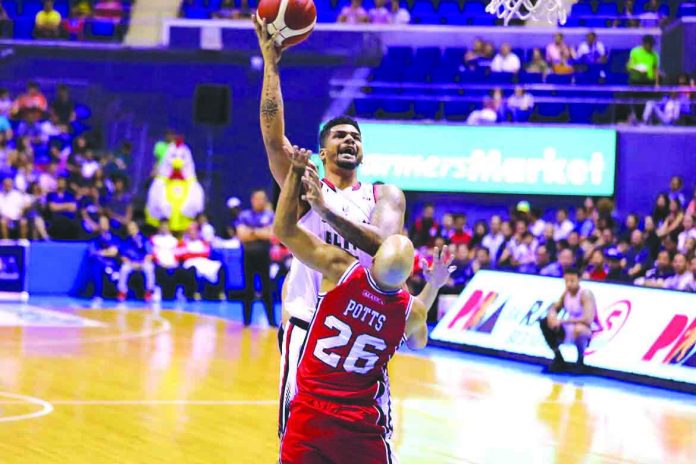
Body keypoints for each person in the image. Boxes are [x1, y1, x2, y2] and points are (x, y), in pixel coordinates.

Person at [254, 14, 407, 440]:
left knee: (368, 436)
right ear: (322, 151)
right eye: (339, 135)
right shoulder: (306, 185)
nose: (349, 141)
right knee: (302, 437)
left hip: (364, 333)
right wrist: (272, 64)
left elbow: (385, 247)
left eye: (355, 137)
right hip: (308, 325)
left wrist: (326, 211)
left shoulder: (384, 196)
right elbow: (271, 136)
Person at [275, 145, 453, 463]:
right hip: (360, 423)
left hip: (310, 413)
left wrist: (296, 177)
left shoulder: (344, 273)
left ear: (373, 257)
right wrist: (434, 285)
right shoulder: (408, 310)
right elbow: (419, 340)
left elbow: (285, 231)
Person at [539, 267, 597, 373]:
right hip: (569, 326)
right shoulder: (566, 293)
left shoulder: (585, 294)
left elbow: (588, 319)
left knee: (579, 329)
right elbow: (554, 307)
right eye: (566, 281)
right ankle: (558, 358)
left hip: (586, 328)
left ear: (579, 280)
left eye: (572, 281)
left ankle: (580, 361)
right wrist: (552, 316)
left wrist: (562, 321)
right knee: (544, 322)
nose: (569, 284)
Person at [236, 189, 276, 326]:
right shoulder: (244, 215)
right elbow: (241, 235)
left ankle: (271, 321)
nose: (260, 201)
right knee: (248, 289)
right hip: (248, 257)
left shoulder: (270, 215)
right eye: (257, 198)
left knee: (267, 289)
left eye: (263, 199)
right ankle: (246, 321)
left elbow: (271, 234)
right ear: (252, 200)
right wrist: (260, 232)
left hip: (264, 257)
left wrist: (251, 231)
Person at [151, 220, 196, 300]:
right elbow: (152, 253)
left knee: (185, 271)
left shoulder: (174, 241)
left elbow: (180, 253)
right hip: (160, 264)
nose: (164, 228)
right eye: (162, 227)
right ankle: (157, 291)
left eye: (166, 227)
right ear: (159, 228)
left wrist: (175, 262)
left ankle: (183, 293)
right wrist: (160, 262)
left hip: (174, 264)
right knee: (159, 271)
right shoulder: (154, 239)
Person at [117, 221, 156, 302]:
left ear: (137, 229)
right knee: (124, 269)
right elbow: (123, 256)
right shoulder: (125, 241)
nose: (131, 230)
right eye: (130, 229)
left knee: (149, 268)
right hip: (130, 263)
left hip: (143, 262)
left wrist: (142, 263)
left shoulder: (145, 240)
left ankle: (149, 292)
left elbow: (150, 254)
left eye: (133, 228)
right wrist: (131, 263)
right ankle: (122, 292)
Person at [86, 215, 121, 300]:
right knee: (96, 265)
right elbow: (92, 253)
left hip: (113, 263)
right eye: (101, 223)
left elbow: (114, 252)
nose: (103, 225)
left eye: (105, 223)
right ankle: (98, 293)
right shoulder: (94, 238)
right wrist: (105, 253)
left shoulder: (114, 237)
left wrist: (102, 253)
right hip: (100, 262)